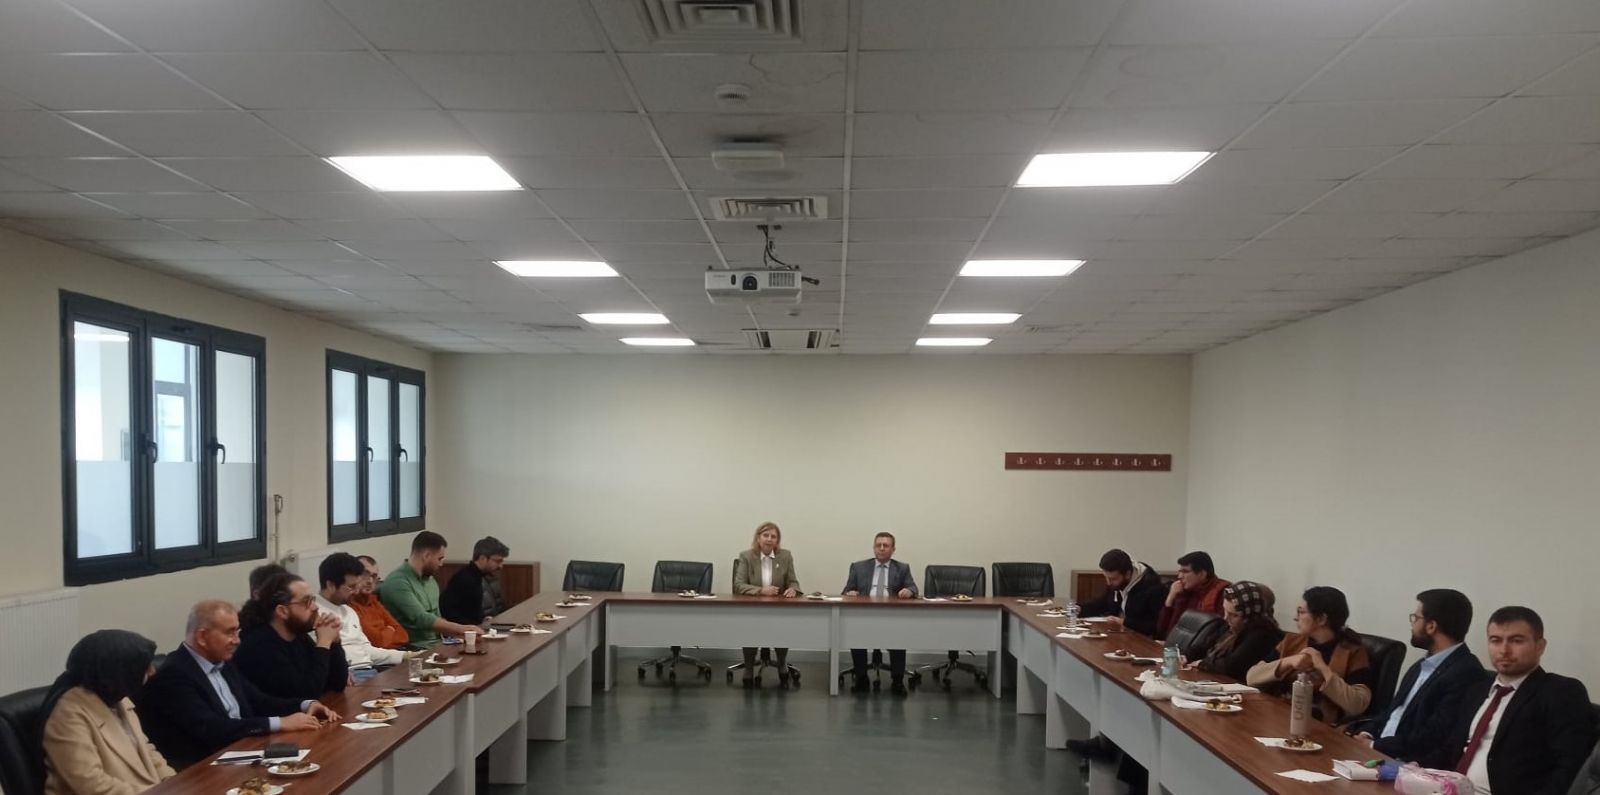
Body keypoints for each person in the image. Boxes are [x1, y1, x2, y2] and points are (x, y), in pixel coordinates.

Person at [136, 600, 339, 769]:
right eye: (230, 633)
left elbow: (260, 701)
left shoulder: (223, 662)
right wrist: (281, 723)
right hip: (201, 769)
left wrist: (305, 704)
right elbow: (212, 728)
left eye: (238, 632)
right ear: (202, 637)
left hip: (242, 752)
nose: (237, 640)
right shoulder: (174, 674)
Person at [1417, 606, 1595, 795]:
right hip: (1448, 789)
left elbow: (1568, 768)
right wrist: (1413, 769)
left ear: (1540, 646)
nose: (1504, 650)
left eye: (1516, 641)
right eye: (1495, 640)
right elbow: (1451, 747)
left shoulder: (1560, 692)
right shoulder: (1477, 690)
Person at [1349, 589, 1484, 762]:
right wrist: (1366, 733)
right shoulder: (1421, 666)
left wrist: (1374, 746)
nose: (1412, 625)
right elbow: (1392, 712)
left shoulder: (1466, 673)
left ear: (1431, 626)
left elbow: (1432, 736)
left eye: (1416, 618)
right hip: (1376, 753)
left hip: (1407, 764)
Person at [40, 630, 174, 795]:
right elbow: (91, 784)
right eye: (144, 667)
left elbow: (146, 750)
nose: (152, 672)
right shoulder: (67, 715)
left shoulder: (117, 697)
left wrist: (173, 781)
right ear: (118, 671)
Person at [1247, 586, 1372, 725]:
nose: (1296, 618)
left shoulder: (1352, 651)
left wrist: (1323, 669)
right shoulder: (1292, 641)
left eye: (1301, 612)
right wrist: (1287, 662)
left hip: (1319, 725)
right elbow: (1251, 677)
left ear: (1321, 619)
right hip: (1277, 714)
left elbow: (1357, 705)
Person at [233, 572, 349, 701]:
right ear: (283, 611)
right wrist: (324, 642)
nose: (315, 607)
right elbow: (307, 694)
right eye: (306, 602)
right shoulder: (258, 646)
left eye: (313, 600)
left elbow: (337, 683)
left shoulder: (298, 636)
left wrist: (334, 641)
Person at [842, 532, 919, 696]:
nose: (882, 548)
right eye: (878, 545)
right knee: (856, 633)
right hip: (864, 616)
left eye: (886, 545)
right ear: (874, 548)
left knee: (898, 636)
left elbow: (913, 588)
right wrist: (850, 593)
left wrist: (909, 591)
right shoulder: (858, 567)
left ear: (893, 549)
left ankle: (897, 680)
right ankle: (861, 678)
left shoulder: (902, 568)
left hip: (891, 617)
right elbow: (846, 591)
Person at [314, 552, 407, 682]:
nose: (356, 591)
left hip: (371, 671)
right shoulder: (313, 613)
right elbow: (318, 658)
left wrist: (405, 655)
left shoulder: (348, 610)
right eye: (351, 587)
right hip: (348, 676)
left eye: (356, 586)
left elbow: (366, 650)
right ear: (330, 585)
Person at [379, 531, 480, 646]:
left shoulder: (430, 580)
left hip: (439, 643)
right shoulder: (397, 582)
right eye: (439, 559)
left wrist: (462, 635)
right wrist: (463, 629)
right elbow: (421, 619)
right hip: (415, 647)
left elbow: (438, 618)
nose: (441, 564)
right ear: (426, 555)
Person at [731, 521, 800, 688]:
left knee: (782, 629)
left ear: (777, 540)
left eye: (773, 536)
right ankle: (749, 668)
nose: (769, 539)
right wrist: (761, 590)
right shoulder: (746, 556)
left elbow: (793, 581)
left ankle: (782, 663)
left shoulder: (785, 556)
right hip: (752, 607)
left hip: (778, 608)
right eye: (765, 535)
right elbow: (738, 585)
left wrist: (793, 589)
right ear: (758, 538)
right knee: (750, 629)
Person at [1195, 580, 1284, 681]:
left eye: (1234, 615)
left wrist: (1202, 663)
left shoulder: (1262, 634)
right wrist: (1186, 657)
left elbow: (1231, 666)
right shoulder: (1232, 626)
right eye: (1225, 611)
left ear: (1248, 615)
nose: (1225, 618)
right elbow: (1203, 646)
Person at [1078, 549, 1166, 637]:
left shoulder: (1153, 588)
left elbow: (1155, 626)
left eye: (1113, 579)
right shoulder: (1118, 583)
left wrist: (1123, 622)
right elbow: (1103, 602)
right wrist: (1079, 609)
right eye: (1106, 577)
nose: (1108, 583)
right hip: (1120, 635)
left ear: (1127, 574)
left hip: (1142, 640)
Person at [1155, 551, 1230, 640]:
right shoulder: (1185, 591)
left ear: (1202, 574)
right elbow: (1162, 631)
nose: (1179, 576)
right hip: (1175, 645)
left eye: (1185, 571)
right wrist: (1170, 598)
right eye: (1180, 572)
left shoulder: (1222, 593)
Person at [440, 535, 509, 626]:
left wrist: (482, 619)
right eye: (497, 561)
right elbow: (449, 613)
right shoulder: (464, 579)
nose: (501, 566)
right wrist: (476, 624)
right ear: (482, 558)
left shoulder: (485, 577)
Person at [351, 555, 409, 649]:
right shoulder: (349, 605)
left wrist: (384, 635)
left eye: (374, 576)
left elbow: (403, 636)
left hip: (395, 652)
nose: (370, 581)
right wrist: (390, 629)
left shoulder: (374, 601)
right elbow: (378, 642)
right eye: (365, 574)